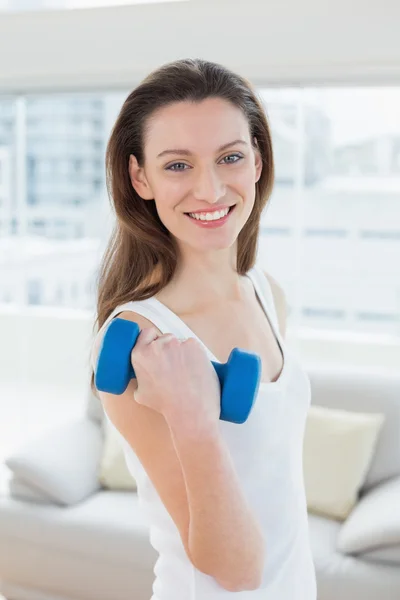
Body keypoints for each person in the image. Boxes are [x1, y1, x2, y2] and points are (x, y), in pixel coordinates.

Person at [90, 58, 317, 599]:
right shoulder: (137, 346)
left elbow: (278, 497)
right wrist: (192, 419)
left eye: (230, 157)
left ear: (257, 161)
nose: (210, 190)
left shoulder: (266, 291)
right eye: (177, 166)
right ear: (139, 177)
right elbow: (234, 572)